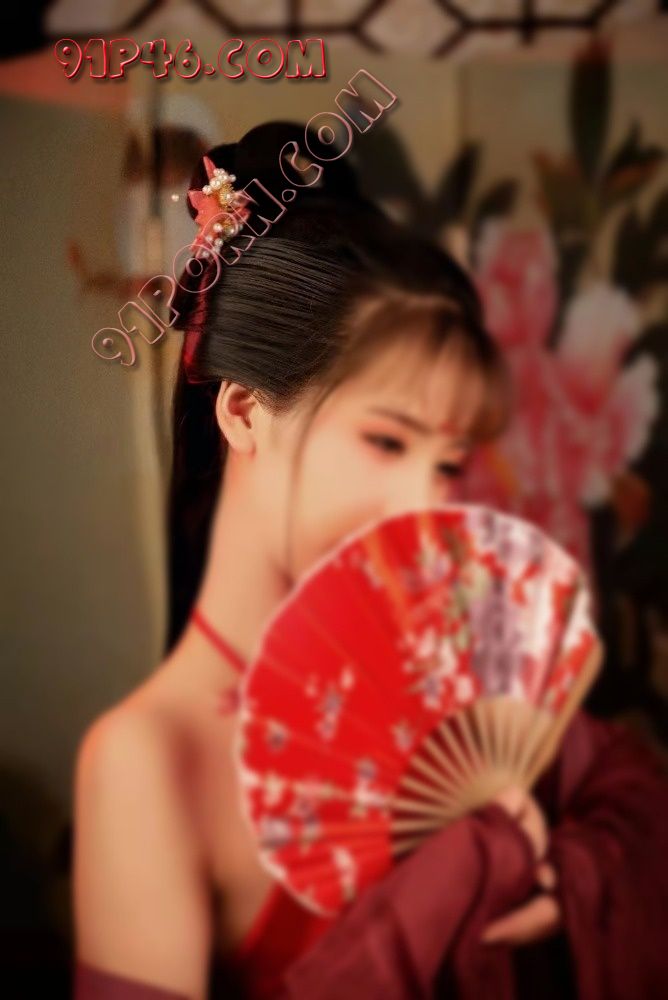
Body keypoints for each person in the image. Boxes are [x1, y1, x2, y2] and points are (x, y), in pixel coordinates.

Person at [72, 122, 668, 1000]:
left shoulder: (436, 669)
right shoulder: (149, 760)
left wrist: (571, 881)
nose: (430, 508)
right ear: (244, 413)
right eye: (386, 441)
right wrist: (462, 871)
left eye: (448, 463)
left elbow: (633, 791)